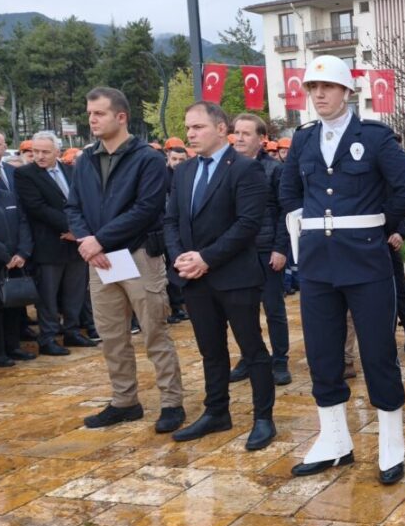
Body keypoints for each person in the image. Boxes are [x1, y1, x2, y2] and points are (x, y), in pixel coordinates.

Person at [279, 55, 405, 481]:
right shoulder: (303, 139)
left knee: (378, 353)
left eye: (327, 87)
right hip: (317, 265)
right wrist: (304, 231)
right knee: (323, 354)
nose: (319, 94)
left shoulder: (374, 137)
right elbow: (288, 192)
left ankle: (391, 442)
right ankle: (334, 440)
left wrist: (377, 225)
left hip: (366, 260)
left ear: (346, 92)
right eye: (312, 87)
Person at [67, 87, 186, 433]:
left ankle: (171, 402)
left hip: (138, 255)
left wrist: (99, 240)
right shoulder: (85, 159)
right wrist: (89, 242)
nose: (92, 119)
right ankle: (124, 401)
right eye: (90, 113)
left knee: (154, 332)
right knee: (111, 336)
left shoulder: (147, 158)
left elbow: (147, 209)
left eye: (99, 113)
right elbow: (73, 206)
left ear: (121, 117)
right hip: (100, 260)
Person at [164, 101, 276, 449]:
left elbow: (247, 224)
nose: (190, 133)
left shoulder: (245, 169)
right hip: (195, 278)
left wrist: (206, 258)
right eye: (188, 127)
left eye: (197, 127)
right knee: (211, 351)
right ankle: (216, 412)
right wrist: (181, 258)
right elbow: (171, 220)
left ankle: (263, 418)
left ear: (221, 129)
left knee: (252, 349)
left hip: (235, 276)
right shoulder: (184, 171)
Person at [15, 131, 96, 356]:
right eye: (35, 151)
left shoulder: (71, 171)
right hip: (48, 245)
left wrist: (79, 232)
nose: (39, 156)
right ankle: (48, 337)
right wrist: (73, 228)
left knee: (75, 291)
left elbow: (83, 201)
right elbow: (37, 208)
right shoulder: (25, 174)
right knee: (47, 296)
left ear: (57, 152)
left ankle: (72, 331)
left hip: (76, 245)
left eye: (45, 152)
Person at [229, 113, 293, 386]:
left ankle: (280, 360)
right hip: (236, 252)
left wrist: (280, 249)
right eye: (237, 133)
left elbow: (285, 211)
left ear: (262, 138)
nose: (239, 138)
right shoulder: (228, 168)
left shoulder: (274, 169)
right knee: (243, 310)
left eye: (246, 133)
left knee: (274, 309)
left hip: (267, 250)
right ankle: (250, 356)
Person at [0, 159, 34, 367]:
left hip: (16, 261)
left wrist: (22, 252)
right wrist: (5, 257)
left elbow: (23, 223)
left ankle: (13, 346)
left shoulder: (8, 196)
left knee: (14, 305)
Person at [164, 140, 191, 325]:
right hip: (167, 230)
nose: (177, 163)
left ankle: (182, 305)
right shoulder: (161, 176)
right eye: (174, 159)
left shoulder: (188, 175)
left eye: (181, 159)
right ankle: (175, 306)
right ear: (168, 157)